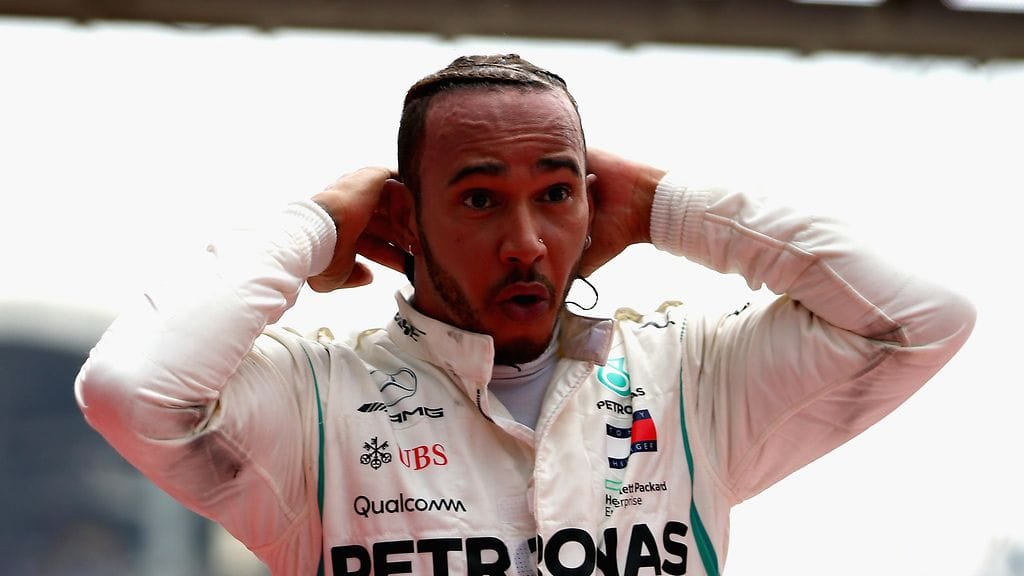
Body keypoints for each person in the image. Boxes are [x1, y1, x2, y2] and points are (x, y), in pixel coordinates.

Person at [75, 54, 975, 576]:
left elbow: (924, 316)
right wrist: (312, 226)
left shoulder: (690, 376)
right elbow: (129, 390)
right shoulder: (315, 400)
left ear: (592, 201)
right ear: (404, 218)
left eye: (555, 193)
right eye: (478, 200)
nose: (526, 242)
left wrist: (669, 207)